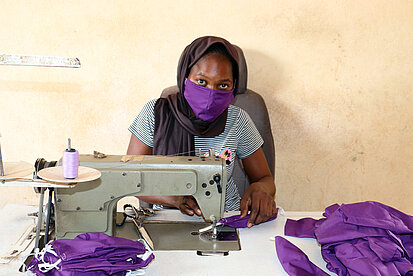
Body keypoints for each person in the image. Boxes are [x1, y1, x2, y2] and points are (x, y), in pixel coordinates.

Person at [127, 36, 276, 227]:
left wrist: (260, 189)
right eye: (201, 82)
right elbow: (130, 178)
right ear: (184, 76)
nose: (211, 94)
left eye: (223, 85)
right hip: (169, 219)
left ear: (233, 86)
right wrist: (175, 198)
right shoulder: (155, 115)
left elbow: (265, 179)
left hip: (226, 218)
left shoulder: (238, 120)